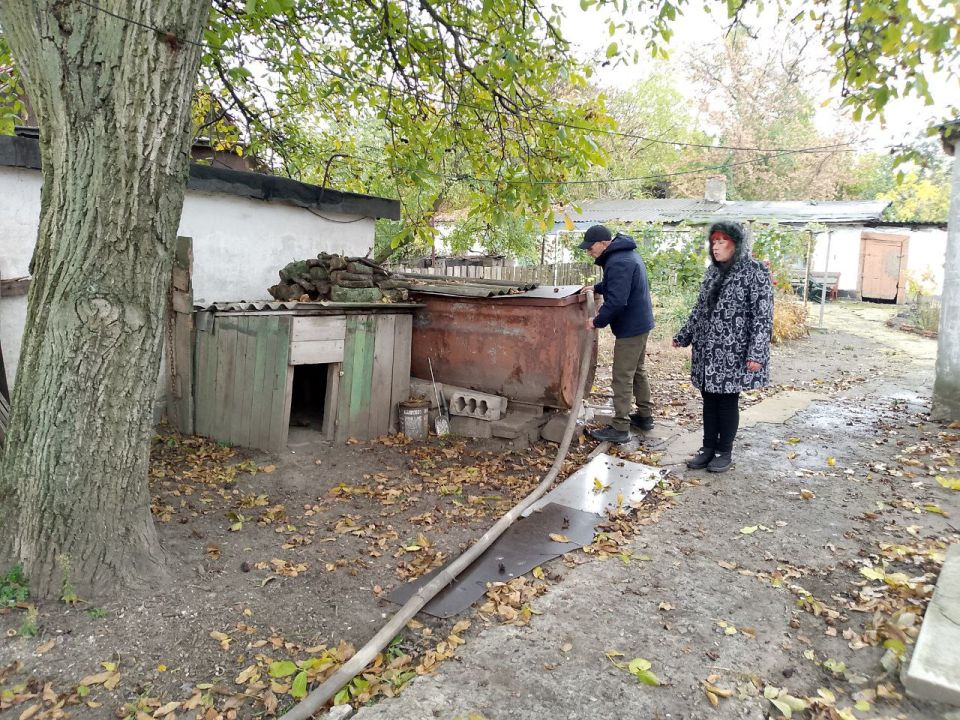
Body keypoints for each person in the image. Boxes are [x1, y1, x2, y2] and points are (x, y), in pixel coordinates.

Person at [672, 221, 773, 472]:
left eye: (721, 242)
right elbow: (700, 309)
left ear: (735, 244)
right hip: (707, 349)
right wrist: (684, 335)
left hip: (733, 351)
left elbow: (762, 316)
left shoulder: (754, 271)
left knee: (727, 401)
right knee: (709, 399)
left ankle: (723, 451)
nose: (715, 247)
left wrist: (757, 352)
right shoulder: (713, 271)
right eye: (713, 242)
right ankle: (707, 448)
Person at [581, 224, 656, 444]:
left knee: (622, 376)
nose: (588, 252)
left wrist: (596, 321)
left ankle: (620, 427)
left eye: (590, 247)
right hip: (640, 323)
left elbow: (617, 300)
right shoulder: (625, 254)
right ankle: (645, 417)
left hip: (631, 327)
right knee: (638, 371)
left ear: (604, 243)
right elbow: (616, 284)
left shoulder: (618, 261)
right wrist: (596, 288)